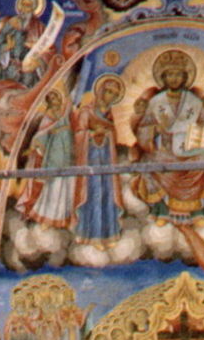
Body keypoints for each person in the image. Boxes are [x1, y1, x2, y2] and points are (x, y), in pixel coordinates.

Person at [133, 49, 204, 227]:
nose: (174, 78)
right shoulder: (156, 102)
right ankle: (162, 210)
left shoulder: (194, 102)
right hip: (165, 148)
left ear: (185, 77)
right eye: (170, 75)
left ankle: (199, 211)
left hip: (190, 148)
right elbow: (143, 127)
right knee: (150, 162)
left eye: (178, 75)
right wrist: (155, 129)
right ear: (164, 78)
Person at [73, 75, 126, 247]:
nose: (110, 96)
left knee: (108, 195)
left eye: (114, 94)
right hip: (90, 161)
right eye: (108, 91)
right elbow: (79, 134)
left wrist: (108, 133)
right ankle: (92, 236)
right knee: (94, 196)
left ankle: (109, 235)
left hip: (107, 161)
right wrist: (92, 134)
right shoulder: (86, 111)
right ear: (101, 91)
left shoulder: (109, 115)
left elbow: (115, 136)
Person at [16, 89, 75, 228]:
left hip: (66, 155)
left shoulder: (66, 114)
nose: (56, 100)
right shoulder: (47, 118)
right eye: (52, 98)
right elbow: (40, 136)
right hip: (52, 156)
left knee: (65, 186)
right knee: (49, 187)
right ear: (48, 102)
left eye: (57, 97)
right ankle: (44, 217)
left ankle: (62, 217)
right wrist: (35, 148)